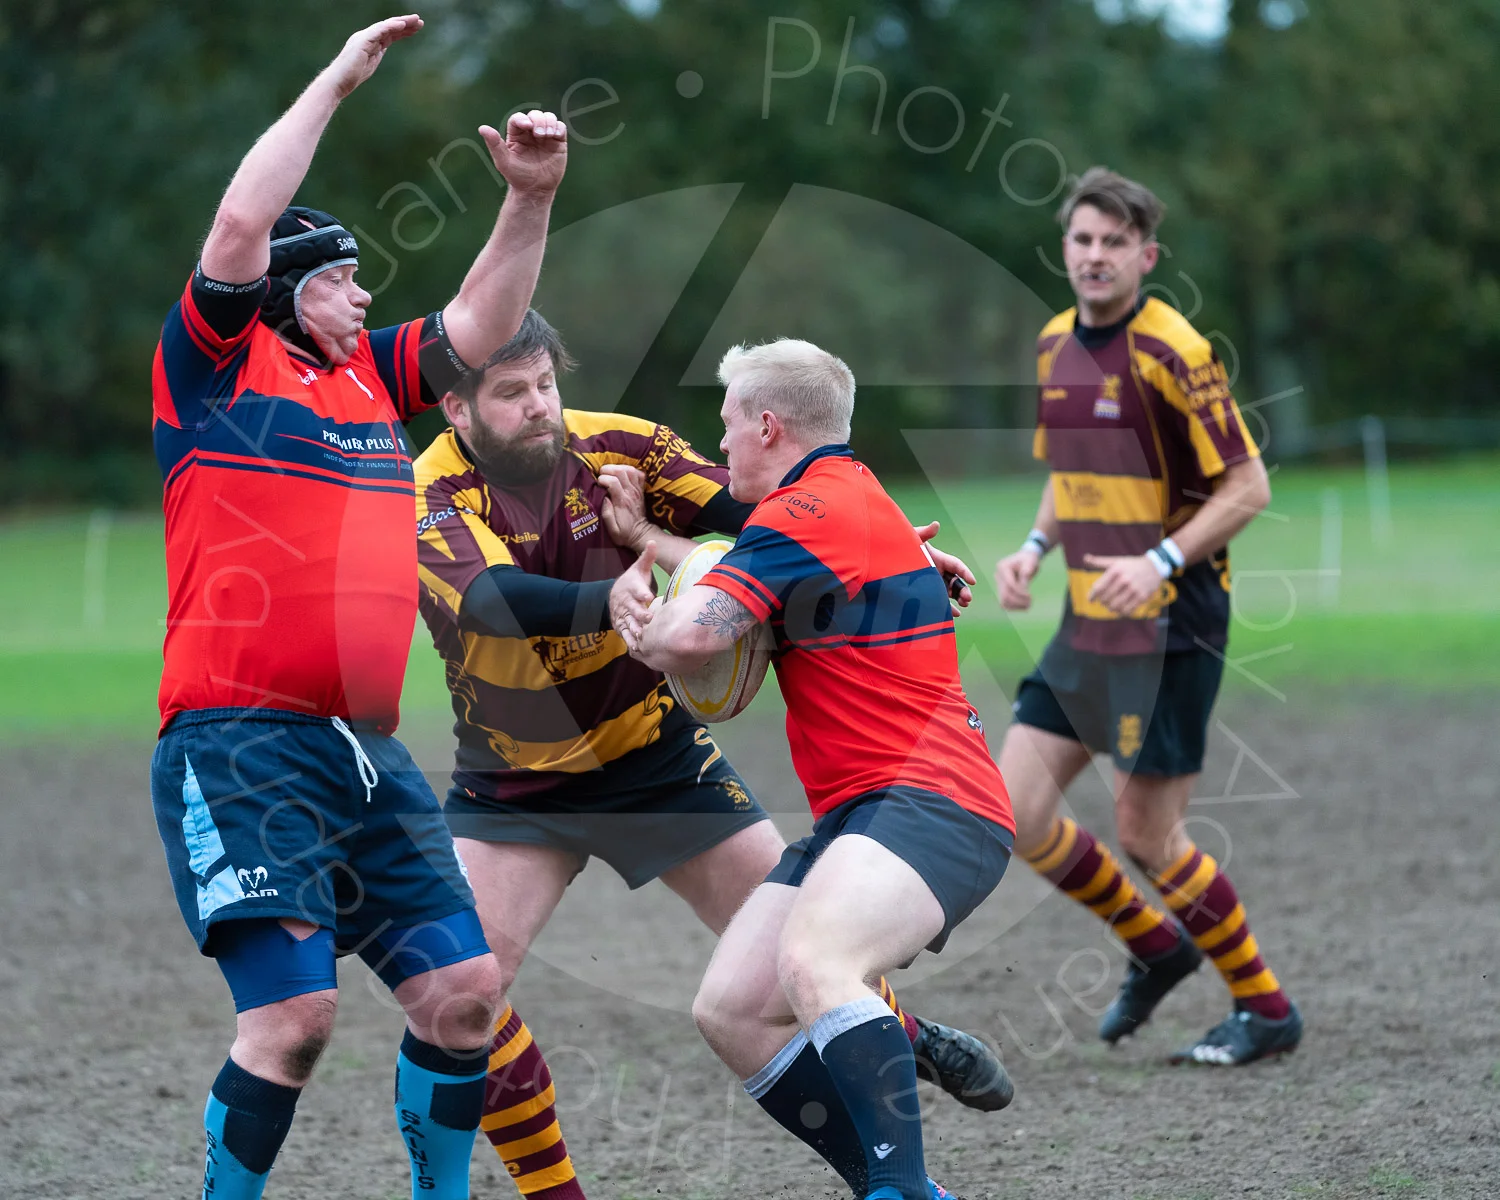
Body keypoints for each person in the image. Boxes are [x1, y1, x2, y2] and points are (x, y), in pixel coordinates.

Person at [411, 311, 1012, 1200]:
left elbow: (765, 506)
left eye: (547, 384)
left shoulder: (623, 446)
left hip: (653, 755)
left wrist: (885, 555)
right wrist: (615, 597)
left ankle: (898, 1053)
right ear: (457, 409)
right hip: (516, 779)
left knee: (804, 954)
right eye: (512, 394)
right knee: (460, 998)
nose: (541, 407)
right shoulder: (425, 490)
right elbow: (493, 600)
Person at [147, 16, 566, 1199]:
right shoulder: (219, 367)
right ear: (282, 290)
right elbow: (237, 229)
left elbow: (479, 332)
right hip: (240, 740)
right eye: (339, 274)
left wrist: (528, 200)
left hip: (362, 754)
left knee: (464, 998)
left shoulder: (364, 378)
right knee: (292, 1023)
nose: (363, 290)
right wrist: (335, 83)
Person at [610, 339, 1016, 1200]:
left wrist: (635, 618)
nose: (719, 450)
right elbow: (748, 570)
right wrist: (647, 534)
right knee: (733, 1009)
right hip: (869, 813)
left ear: (767, 424)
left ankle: (900, 1193)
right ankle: (892, 1184)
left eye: (726, 429)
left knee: (818, 966)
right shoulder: (850, 494)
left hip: (935, 800)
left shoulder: (799, 519)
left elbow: (693, 636)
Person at [992, 166, 1302, 1065]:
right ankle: (1155, 944)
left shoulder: (1176, 351)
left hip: (1175, 620)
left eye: (1114, 243)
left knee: (1147, 837)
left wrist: (1162, 555)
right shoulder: (1054, 345)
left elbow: (1250, 485)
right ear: (1065, 250)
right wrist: (1033, 548)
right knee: (1014, 813)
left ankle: (1265, 1007)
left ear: (1145, 256)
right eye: (1082, 240)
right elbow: (1070, 473)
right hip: (1087, 617)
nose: (1095, 256)